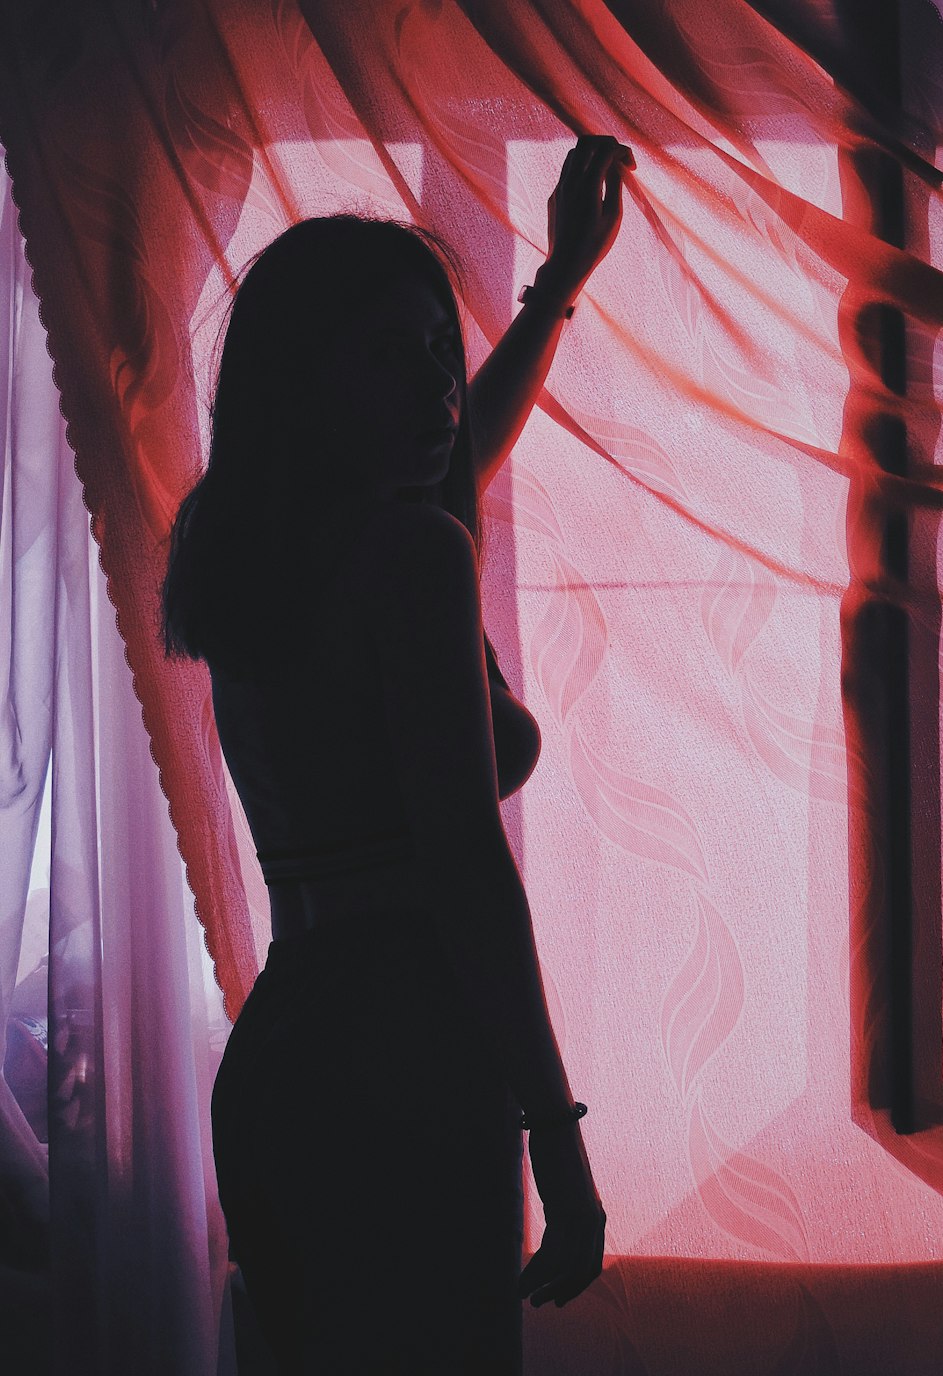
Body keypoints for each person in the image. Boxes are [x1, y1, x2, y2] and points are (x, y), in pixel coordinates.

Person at [160, 133, 634, 1375]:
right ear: (307, 384)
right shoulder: (409, 561)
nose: (433, 389)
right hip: (409, 1058)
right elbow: (468, 872)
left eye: (440, 353)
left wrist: (555, 285)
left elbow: (452, 455)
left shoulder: (247, 543)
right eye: (388, 358)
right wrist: (558, 1133)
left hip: (283, 1057)